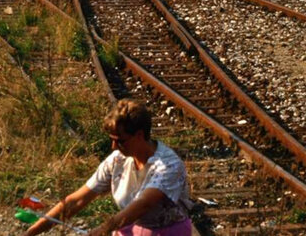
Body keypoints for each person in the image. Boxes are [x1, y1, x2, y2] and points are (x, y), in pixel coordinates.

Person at [25, 99, 194, 236]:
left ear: (139, 135)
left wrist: (102, 230)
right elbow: (77, 200)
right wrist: (33, 231)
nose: (114, 146)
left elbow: (142, 205)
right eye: (112, 139)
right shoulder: (117, 160)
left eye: (120, 140)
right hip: (130, 229)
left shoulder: (167, 165)